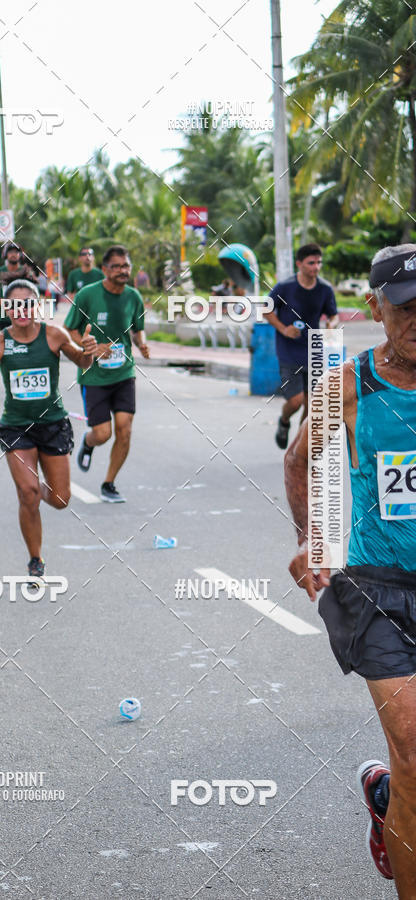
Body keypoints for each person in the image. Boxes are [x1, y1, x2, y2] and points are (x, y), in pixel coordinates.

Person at [285, 243, 416, 894]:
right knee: (414, 743)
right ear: (375, 308)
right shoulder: (349, 386)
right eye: (404, 308)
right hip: (379, 588)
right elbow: (298, 459)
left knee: (412, 770)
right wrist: (312, 538)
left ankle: (388, 797)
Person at [0, 278, 97, 579]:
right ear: (6, 308)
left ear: (37, 307)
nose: (21, 309)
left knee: (59, 499)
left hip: (53, 425)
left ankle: (41, 489)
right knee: (27, 493)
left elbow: (83, 362)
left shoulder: (54, 335)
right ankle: (35, 559)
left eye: (28, 304)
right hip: (16, 427)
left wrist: (89, 350)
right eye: (15, 304)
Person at [64, 244, 150, 502]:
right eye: (117, 266)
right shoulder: (88, 295)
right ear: (105, 269)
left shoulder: (133, 296)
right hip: (94, 376)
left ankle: (109, 483)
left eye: (126, 266)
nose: (123, 271)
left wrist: (141, 342)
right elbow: (71, 329)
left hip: (124, 373)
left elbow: (137, 328)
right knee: (103, 433)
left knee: (125, 429)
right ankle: (88, 443)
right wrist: (88, 345)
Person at [264, 243, 338, 449]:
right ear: (299, 264)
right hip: (288, 350)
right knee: (296, 401)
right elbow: (267, 310)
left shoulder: (325, 289)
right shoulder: (285, 287)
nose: (316, 267)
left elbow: (332, 314)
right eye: (311, 263)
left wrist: (331, 324)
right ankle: (284, 421)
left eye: (319, 263)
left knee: (312, 403)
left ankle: (300, 445)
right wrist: (283, 328)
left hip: (313, 350)